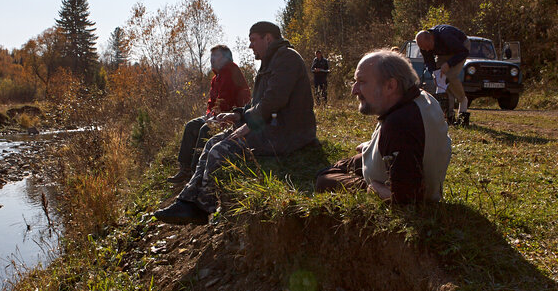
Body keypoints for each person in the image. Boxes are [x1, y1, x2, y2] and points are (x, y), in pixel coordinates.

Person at [154, 21, 317, 224]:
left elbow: (274, 99)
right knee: (211, 143)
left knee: (219, 150)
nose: (250, 46)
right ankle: (187, 202)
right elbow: (259, 102)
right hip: (273, 127)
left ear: (268, 38)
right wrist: (238, 114)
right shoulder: (271, 61)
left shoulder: (287, 58)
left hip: (290, 133)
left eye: (253, 40)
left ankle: (204, 206)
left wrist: (250, 123)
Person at [315, 50, 451, 203]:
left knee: (323, 179)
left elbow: (408, 199)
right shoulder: (424, 98)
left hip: (386, 179)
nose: (354, 90)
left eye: (362, 82)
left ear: (390, 86)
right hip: (390, 159)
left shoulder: (399, 125)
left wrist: (372, 188)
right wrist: (374, 144)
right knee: (340, 165)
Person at [167, 45, 251, 183]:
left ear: (226, 58)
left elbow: (226, 100)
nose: (211, 59)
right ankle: (185, 169)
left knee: (205, 129)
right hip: (217, 114)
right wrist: (208, 114)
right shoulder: (216, 77)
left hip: (235, 115)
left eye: (216, 56)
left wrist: (212, 117)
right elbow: (212, 102)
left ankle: (196, 173)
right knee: (191, 125)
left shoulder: (230, 71)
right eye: (211, 56)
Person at [415, 24, 471, 126]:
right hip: (443, 53)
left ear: (432, 38)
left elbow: (463, 52)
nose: (426, 50)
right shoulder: (424, 45)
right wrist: (433, 73)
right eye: (423, 48)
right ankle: (448, 115)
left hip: (460, 48)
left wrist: (449, 64)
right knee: (441, 80)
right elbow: (429, 62)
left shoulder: (446, 35)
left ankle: (462, 101)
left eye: (427, 47)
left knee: (449, 75)